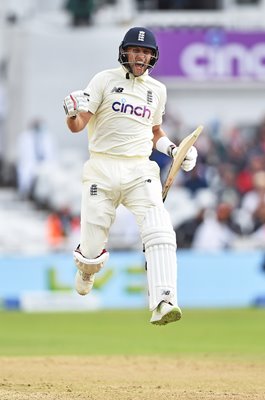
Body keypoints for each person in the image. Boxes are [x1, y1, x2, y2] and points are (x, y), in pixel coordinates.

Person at [63, 27, 198, 325]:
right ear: (125, 52)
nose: (141, 57)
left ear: (153, 57)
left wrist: (175, 150)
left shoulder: (157, 90)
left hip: (140, 169)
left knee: (160, 229)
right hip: (102, 167)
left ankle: (163, 300)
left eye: (146, 52)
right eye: (136, 51)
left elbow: (154, 132)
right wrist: (71, 113)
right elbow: (78, 125)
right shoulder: (103, 80)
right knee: (90, 248)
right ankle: (86, 267)